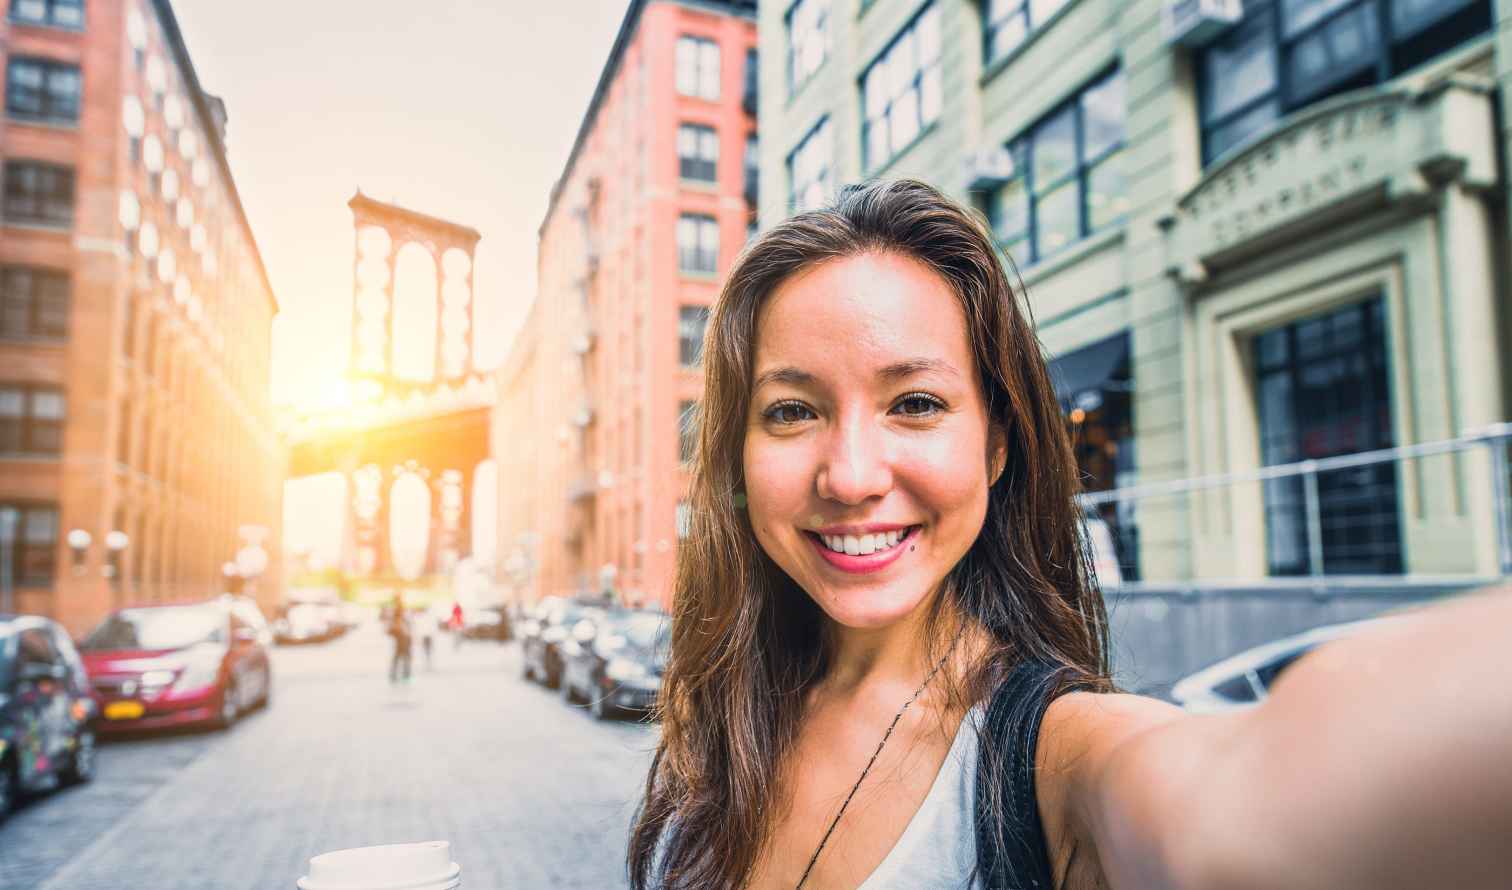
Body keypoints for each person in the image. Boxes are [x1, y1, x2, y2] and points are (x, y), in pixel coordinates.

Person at [627, 179, 1512, 890]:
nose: (852, 475)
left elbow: (1250, 806)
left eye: (917, 403)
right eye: (791, 410)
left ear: (998, 445)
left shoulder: (1058, 758)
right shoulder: (728, 715)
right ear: (736, 459)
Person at [387, 593, 413, 684]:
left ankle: (399, 672)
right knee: (403, 654)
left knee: (400, 654)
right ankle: (404, 673)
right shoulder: (398, 608)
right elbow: (403, 621)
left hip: (402, 634)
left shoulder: (396, 608)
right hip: (402, 634)